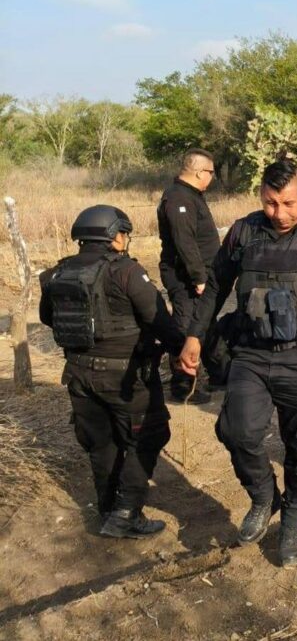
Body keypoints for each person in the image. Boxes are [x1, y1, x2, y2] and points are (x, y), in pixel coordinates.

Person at [178, 159, 297, 567]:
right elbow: (215, 286)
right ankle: (264, 495)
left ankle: (295, 521)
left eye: (288, 203)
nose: (279, 214)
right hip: (250, 352)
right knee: (236, 430)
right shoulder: (243, 232)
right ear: (260, 197)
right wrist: (195, 334)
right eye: (270, 203)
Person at [39, 205, 182, 538]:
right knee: (149, 435)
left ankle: (106, 511)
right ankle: (125, 512)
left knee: (101, 445)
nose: (125, 239)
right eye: (123, 233)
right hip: (126, 378)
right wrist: (182, 351)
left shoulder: (57, 274)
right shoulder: (127, 272)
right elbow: (158, 319)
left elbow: (49, 318)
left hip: (78, 376)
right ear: (112, 236)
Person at [157, 148, 222, 403]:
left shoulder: (191, 195)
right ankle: (183, 386)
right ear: (199, 172)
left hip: (200, 274)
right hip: (186, 278)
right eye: (211, 172)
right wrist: (199, 277)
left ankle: (220, 374)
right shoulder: (178, 199)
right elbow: (185, 243)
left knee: (206, 323)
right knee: (186, 327)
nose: (212, 178)